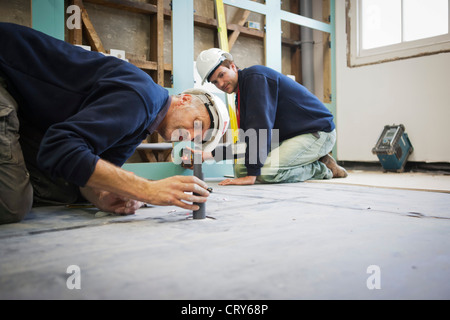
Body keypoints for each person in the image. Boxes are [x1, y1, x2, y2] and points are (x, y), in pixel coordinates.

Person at [0, 23, 224, 225]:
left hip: (26, 114)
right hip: (5, 75)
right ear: (184, 99)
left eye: (196, 137)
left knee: (63, 190)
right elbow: (59, 147)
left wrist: (103, 196)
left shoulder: (139, 129)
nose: (189, 136)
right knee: (13, 205)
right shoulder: (143, 97)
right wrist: (147, 189)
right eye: (196, 123)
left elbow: (84, 175)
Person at [196, 48, 348, 186]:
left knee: (267, 172)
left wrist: (251, 176)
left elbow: (260, 128)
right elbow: (248, 141)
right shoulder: (241, 95)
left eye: (222, 75)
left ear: (233, 66)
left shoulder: (255, 78)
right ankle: (309, 159)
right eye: (215, 82)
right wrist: (207, 155)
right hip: (291, 137)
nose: (221, 83)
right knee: (240, 169)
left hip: (318, 132)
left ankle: (322, 168)